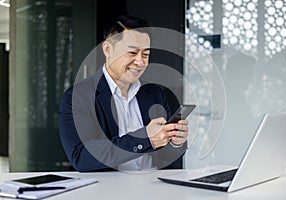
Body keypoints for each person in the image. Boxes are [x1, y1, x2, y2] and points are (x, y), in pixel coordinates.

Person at [59, 15, 189, 172]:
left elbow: (166, 157)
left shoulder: (155, 93)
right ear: (108, 49)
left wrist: (175, 141)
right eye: (132, 53)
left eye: (146, 54)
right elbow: (81, 158)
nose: (140, 62)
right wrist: (145, 139)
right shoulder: (78, 97)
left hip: (155, 187)